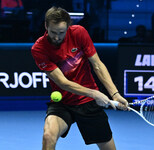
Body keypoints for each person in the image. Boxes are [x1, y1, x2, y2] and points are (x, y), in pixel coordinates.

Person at [31, 6, 128, 150]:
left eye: (61, 33)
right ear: (46, 26)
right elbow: (63, 82)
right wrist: (95, 93)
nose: (57, 37)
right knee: (48, 136)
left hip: (88, 103)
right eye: (53, 32)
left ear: (68, 27)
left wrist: (115, 94)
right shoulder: (39, 49)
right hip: (63, 102)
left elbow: (98, 65)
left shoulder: (79, 33)